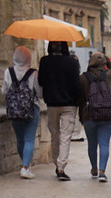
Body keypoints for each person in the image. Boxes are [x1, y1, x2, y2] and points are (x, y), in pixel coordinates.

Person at [37, 41, 81, 181]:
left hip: (52, 103)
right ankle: (61, 167)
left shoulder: (44, 61)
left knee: (54, 135)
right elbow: (76, 84)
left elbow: (41, 81)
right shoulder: (72, 62)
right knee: (66, 136)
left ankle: (57, 163)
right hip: (69, 104)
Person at [1, 46, 43, 179]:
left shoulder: (8, 72)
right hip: (31, 109)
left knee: (20, 139)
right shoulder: (34, 73)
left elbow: (4, 90)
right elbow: (39, 93)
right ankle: (25, 167)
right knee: (29, 139)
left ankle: (25, 164)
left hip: (14, 110)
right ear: (28, 58)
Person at [79, 52, 111, 182]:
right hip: (106, 115)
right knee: (104, 144)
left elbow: (80, 97)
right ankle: (102, 171)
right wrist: (107, 60)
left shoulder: (83, 78)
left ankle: (94, 169)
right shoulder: (108, 76)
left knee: (92, 144)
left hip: (89, 115)